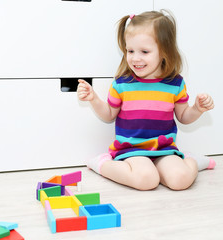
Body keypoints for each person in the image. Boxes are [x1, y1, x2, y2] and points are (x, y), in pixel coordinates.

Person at [77, 10, 215, 191]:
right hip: (131, 150)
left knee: (180, 180)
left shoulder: (175, 83)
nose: (135, 58)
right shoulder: (122, 84)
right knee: (147, 180)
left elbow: (183, 117)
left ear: (164, 52)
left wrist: (197, 108)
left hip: (164, 149)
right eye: (130, 50)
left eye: (144, 51)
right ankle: (103, 164)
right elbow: (109, 114)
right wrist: (94, 99)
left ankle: (191, 162)